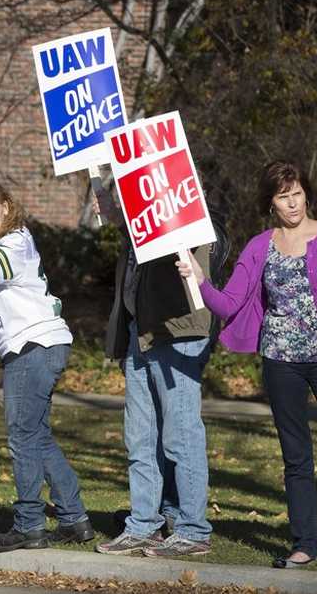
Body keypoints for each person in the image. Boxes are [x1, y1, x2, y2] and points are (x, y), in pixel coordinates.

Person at [177, 160, 317, 569]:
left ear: (306, 193)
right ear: (271, 202)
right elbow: (229, 302)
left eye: (296, 193)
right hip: (281, 362)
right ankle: (304, 543)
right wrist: (199, 279)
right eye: (282, 196)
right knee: (296, 457)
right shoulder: (259, 246)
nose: (292, 203)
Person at [0, 181, 91, 553]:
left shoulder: (15, 241)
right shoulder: (4, 244)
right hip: (38, 346)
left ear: (8, 206)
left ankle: (29, 525)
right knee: (37, 435)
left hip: (34, 348)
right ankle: (74, 519)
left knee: (22, 437)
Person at [90, 177, 214, 558]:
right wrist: (113, 212)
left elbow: (205, 243)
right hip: (139, 332)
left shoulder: (187, 207)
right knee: (140, 436)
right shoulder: (137, 221)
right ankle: (144, 524)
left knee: (180, 433)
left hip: (176, 332)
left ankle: (193, 530)